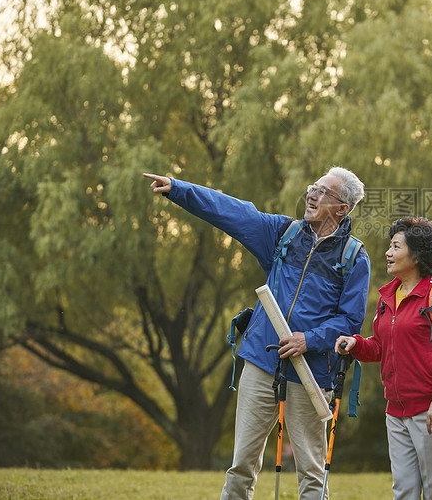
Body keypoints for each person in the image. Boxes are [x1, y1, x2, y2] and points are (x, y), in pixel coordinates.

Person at [143, 168, 371, 500]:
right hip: (262, 364)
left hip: (311, 373)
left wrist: (309, 339)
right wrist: (179, 189)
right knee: (241, 466)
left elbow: (350, 321)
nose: (312, 194)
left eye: (324, 192)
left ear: (342, 209)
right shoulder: (283, 233)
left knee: (311, 473)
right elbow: (233, 212)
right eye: (313, 188)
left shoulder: (354, 257)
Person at [335, 217, 432, 500]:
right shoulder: (387, 297)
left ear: (416, 255)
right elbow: (380, 347)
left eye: (395, 246)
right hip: (396, 410)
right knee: (403, 491)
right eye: (389, 246)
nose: (387, 253)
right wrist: (355, 343)